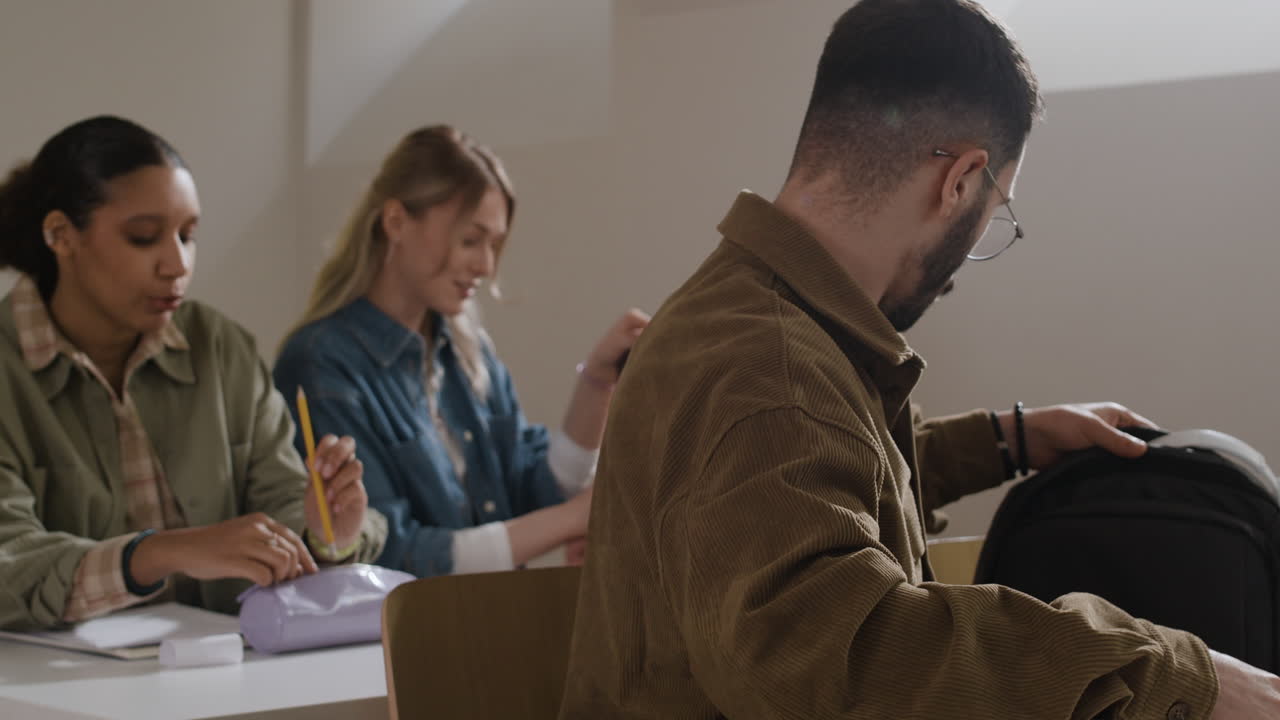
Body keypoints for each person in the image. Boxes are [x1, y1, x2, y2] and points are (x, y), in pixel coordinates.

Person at [560, 1, 1280, 718]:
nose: (968, 258)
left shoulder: (746, 319)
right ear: (960, 180)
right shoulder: (771, 369)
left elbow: (813, 488)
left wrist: (1006, 439)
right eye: (995, 212)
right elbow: (842, 652)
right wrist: (1179, 678)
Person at [0, 116, 387, 631]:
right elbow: (12, 561)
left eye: (188, 236)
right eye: (143, 238)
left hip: (224, 677)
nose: (177, 264)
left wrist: (324, 533)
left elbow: (279, 496)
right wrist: (163, 553)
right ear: (60, 236)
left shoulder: (219, 347)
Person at [274, 125, 647, 578]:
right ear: (395, 222)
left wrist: (598, 381)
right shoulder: (320, 362)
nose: (486, 266)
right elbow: (390, 554)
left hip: (492, 625)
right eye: (471, 240)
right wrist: (573, 519)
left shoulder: (468, 351)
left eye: (494, 245)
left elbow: (535, 492)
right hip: (401, 642)